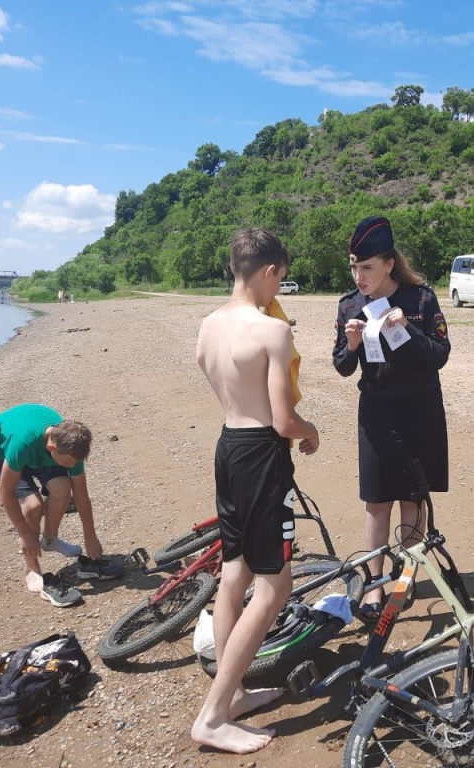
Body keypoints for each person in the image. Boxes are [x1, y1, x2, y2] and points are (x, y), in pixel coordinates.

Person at [191, 228, 320, 755]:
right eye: (281, 279)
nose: (279, 290)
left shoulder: (208, 326)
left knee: (235, 572)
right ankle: (214, 715)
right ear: (268, 270)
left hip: (228, 447)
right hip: (263, 455)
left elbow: (221, 383)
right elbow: (284, 419)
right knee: (273, 588)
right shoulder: (270, 331)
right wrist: (311, 431)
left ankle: (234, 691)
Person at [333, 216, 450, 622]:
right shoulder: (349, 304)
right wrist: (350, 345)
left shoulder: (420, 300)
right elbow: (343, 367)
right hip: (377, 412)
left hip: (420, 410)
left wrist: (409, 330)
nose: (358, 275)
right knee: (377, 499)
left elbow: (440, 355)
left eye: (366, 267)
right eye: (353, 266)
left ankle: (409, 573)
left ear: (387, 263)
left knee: (413, 498)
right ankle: (375, 584)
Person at [0, 404, 104, 606]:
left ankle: (49, 539)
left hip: (38, 449)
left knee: (63, 487)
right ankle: (31, 567)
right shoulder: (21, 445)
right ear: (51, 448)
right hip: (1, 449)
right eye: (66, 463)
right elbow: (6, 493)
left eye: (74, 463)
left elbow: (81, 495)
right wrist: (25, 534)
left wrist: (91, 536)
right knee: (32, 506)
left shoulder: (73, 450)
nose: (71, 467)